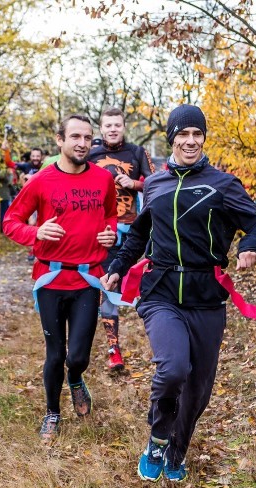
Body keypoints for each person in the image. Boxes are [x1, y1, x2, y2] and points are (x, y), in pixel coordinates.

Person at [100, 104, 256, 481]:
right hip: (161, 291)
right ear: (172, 138)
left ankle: (178, 451)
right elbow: (142, 234)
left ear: (204, 138)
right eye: (184, 134)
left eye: (198, 134)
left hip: (206, 297)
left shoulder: (224, 184)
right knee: (174, 367)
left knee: (198, 387)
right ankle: (159, 437)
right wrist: (116, 267)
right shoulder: (157, 184)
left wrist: (251, 247)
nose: (191, 141)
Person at [3, 114, 117, 440]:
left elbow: (109, 213)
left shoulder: (102, 179)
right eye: (75, 137)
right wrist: (36, 231)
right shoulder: (40, 180)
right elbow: (11, 222)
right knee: (55, 354)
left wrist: (109, 233)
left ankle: (77, 378)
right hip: (50, 279)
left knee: (78, 355)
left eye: (87, 138)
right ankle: (52, 412)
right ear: (60, 140)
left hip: (86, 280)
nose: (82, 143)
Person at [89, 107, 156, 372]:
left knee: (146, 289)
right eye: (108, 125)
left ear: (124, 127)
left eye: (118, 124)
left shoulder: (138, 153)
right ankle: (113, 349)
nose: (113, 129)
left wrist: (135, 184)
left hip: (136, 233)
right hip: (104, 232)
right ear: (101, 128)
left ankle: (161, 343)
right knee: (108, 289)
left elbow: (158, 183)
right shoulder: (91, 155)